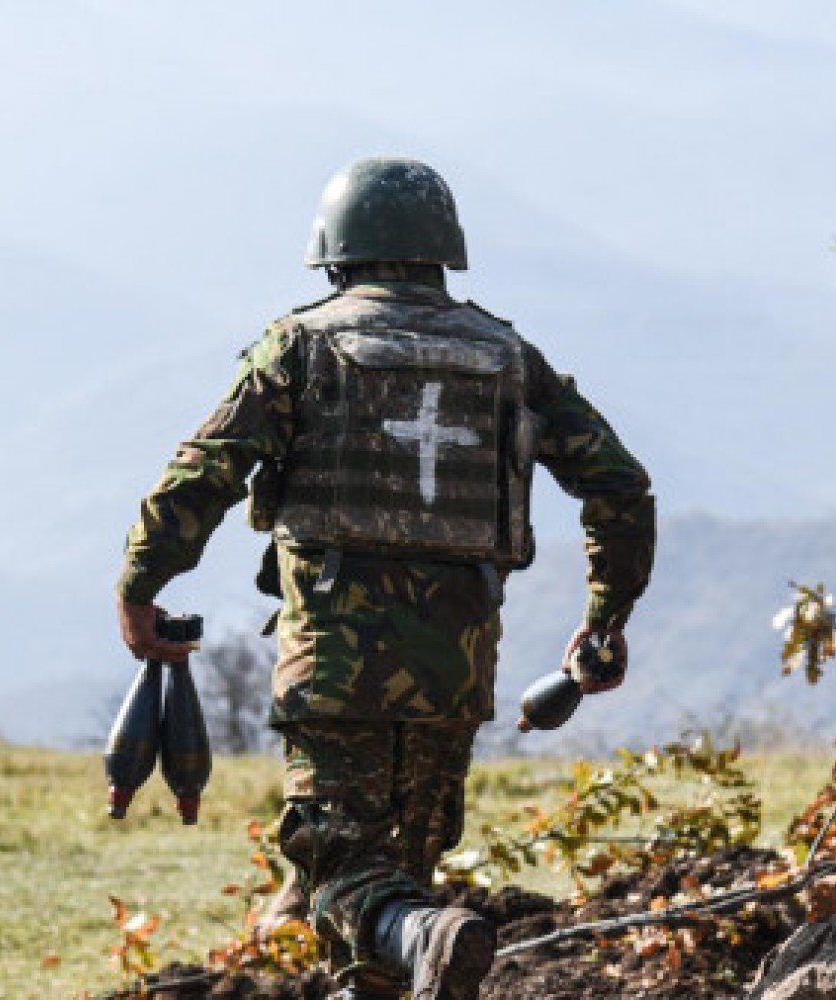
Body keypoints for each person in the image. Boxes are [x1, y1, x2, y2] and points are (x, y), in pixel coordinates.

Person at [115, 157, 656, 1000]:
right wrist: (605, 617)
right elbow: (619, 485)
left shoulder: (299, 346)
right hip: (456, 669)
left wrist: (141, 584)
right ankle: (414, 942)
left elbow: (207, 471)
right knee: (393, 890)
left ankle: (432, 931)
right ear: (444, 252)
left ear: (336, 255)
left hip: (336, 664)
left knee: (335, 870)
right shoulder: (511, 357)